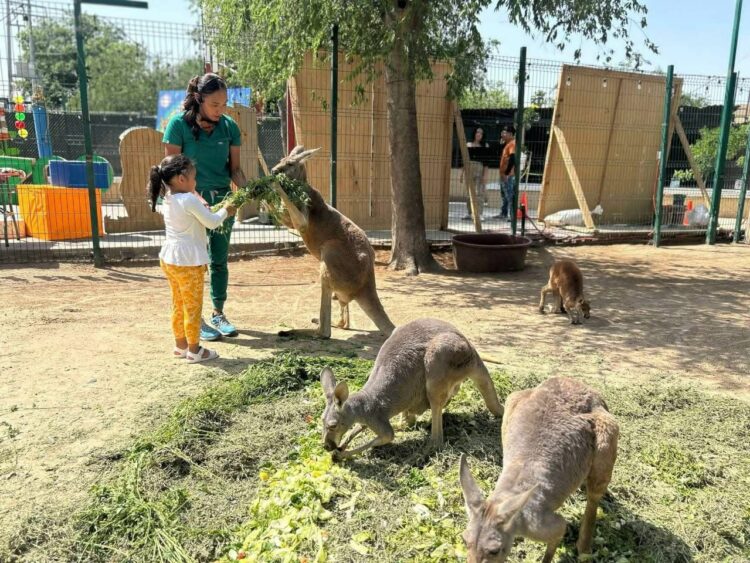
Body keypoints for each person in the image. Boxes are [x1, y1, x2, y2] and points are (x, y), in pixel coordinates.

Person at [163, 73, 248, 341]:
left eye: (224, 104)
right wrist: (196, 201)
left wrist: (248, 191)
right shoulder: (178, 125)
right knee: (195, 263)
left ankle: (218, 313)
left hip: (222, 200)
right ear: (199, 99)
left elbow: (235, 170)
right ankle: (195, 319)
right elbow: (172, 173)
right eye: (214, 104)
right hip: (190, 204)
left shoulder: (229, 127)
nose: (220, 110)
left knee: (219, 260)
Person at [148, 154, 237, 363]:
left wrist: (211, 210)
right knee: (193, 307)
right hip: (188, 262)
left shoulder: (169, 197)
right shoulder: (188, 199)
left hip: (169, 259)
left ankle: (181, 346)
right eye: (194, 177)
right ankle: (195, 350)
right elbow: (212, 222)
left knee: (178, 304)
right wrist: (227, 210)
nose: (195, 182)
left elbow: (198, 217)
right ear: (181, 179)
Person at [463, 127, 488, 221]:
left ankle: (479, 213)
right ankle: (470, 213)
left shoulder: (485, 146)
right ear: (474, 133)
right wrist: (462, 173)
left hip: (480, 169)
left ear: (483, 136)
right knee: (469, 192)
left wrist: (485, 175)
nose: (478, 134)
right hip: (469, 169)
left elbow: (486, 162)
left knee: (479, 193)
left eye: (481, 133)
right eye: (477, 132)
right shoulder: (468, 145)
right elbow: (465, 160)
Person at [495, 125, 517, 221]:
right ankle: (504, 213)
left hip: (508, 176)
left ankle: (512, 217)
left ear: (510, 134)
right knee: (504, 195)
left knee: (509, 196)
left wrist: (507, 173)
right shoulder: (507, 144)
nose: (502, 134)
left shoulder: (512, 144)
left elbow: (512, 158)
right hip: (504, 175)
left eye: (504, 132)